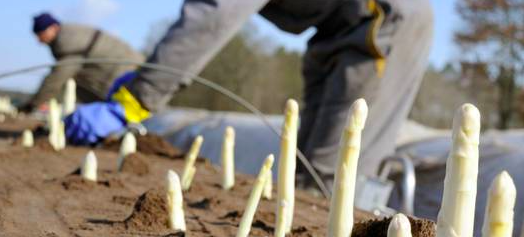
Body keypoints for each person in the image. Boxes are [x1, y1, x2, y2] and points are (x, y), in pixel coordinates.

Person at [66, 0, 433, 188]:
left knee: (334, 173)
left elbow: (210, 18)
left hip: (384, 24)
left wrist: (137, 100)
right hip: (337, 30)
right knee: (302, 172)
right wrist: (144, 80)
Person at [19, 12, 144, 113]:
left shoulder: (67, 44)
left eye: (41, 33)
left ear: (53, 28)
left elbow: (56, 78)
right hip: (131, 67)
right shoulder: (73, 36)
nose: (39, 40)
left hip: (124, 75)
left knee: (132, 109)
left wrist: (33, 104)